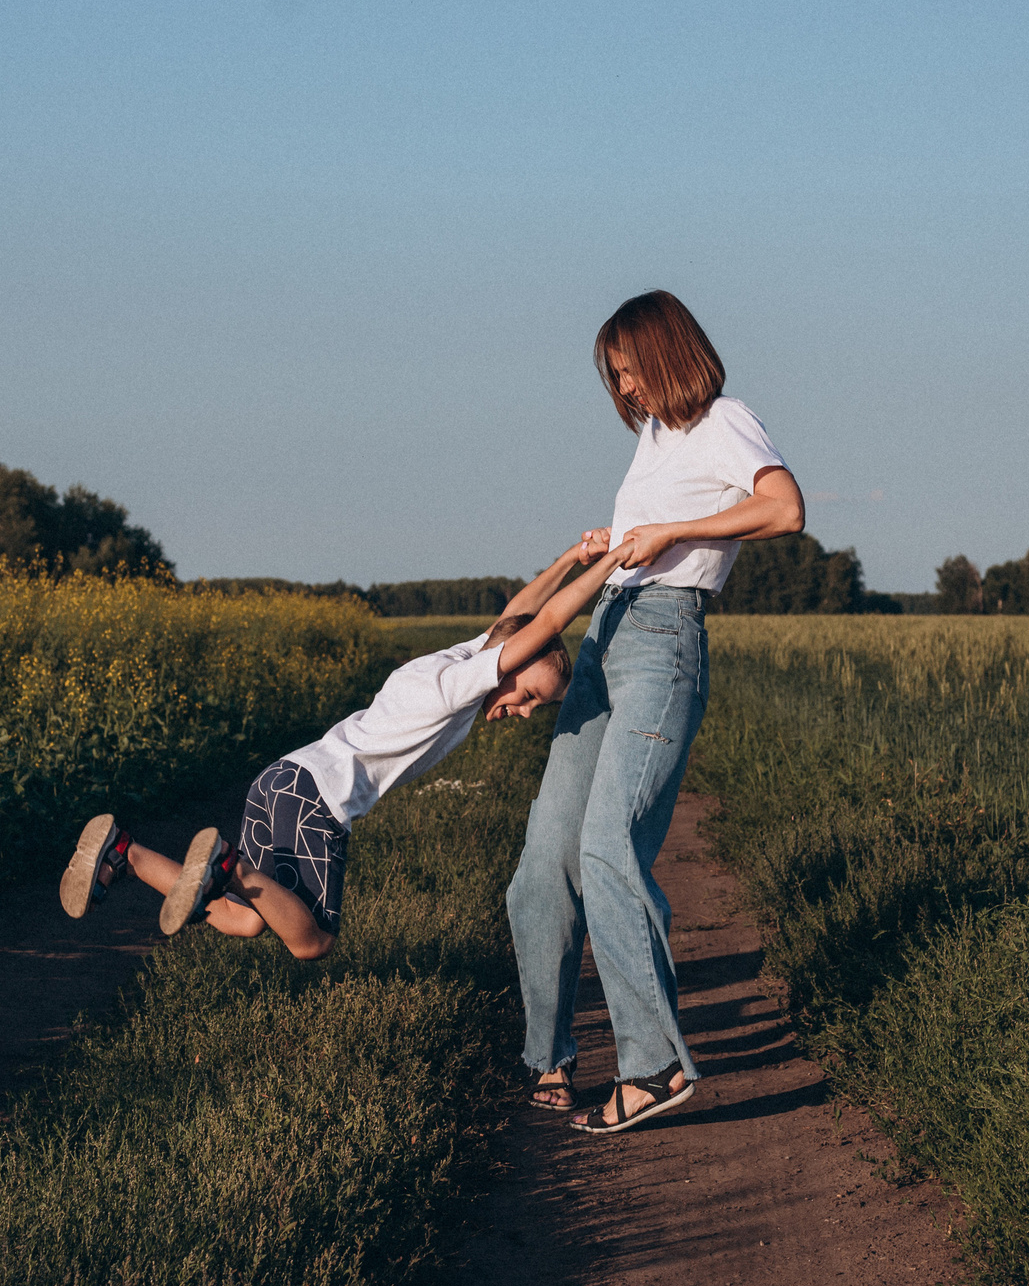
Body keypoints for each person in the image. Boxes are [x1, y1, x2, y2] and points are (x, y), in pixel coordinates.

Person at [509, 290, 803, 1136]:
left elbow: (785, 508)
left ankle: (653, 1062)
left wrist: (672, 532)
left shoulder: (724, 421)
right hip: (608, 634)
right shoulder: (655, 437)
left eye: (631, 369)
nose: (626, 388)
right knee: (543, 861)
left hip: (664, 640)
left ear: (667, 352)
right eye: (616, 377)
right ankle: (550, 1056)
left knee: (608, 845)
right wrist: (615, 542)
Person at [60, 533, 623, 959]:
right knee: (313, 941)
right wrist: (611, 560)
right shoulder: (458, 685)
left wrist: (570, 556)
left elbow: (518, 614)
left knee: (247, 921)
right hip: (317, 800)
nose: (524, 711)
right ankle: (225, 864)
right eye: (528, 694)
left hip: (280, 779)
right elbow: (544, 620)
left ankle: (123, 852)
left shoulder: (460, 658)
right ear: (508, 664)